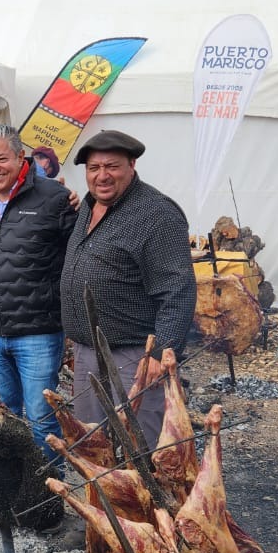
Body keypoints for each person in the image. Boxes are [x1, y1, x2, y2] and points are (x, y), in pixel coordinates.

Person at [60, 129, 196, 451]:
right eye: (94, 168)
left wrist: (159, 353)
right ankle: (102, 500)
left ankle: (149, 501)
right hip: (89, 352)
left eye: (112, 167)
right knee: (94, 445)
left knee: (143, 450)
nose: (102, 176)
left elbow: (178, 290)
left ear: (132, 165)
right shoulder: (89, 206)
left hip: (135, 355)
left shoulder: (156, 214)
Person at [0, 124, 78, 457]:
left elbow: (78, 253)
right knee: (5, 415)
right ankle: (17, 488)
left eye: (1, 158)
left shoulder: (55, 198)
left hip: (39, 332)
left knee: (43, 417)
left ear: (20, 157)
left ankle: (49, 493)